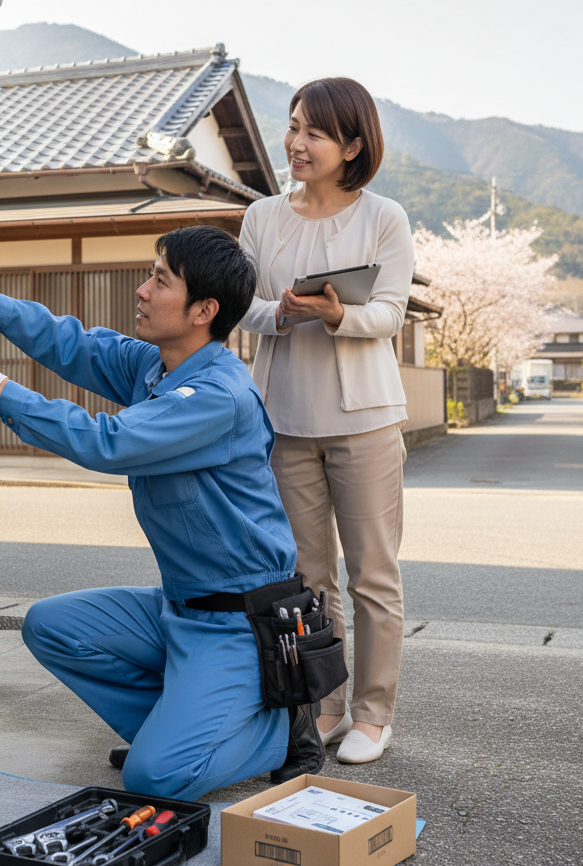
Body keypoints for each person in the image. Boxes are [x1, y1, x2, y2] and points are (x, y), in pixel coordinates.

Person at [0, 226, 307, 799]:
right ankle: (173, 728)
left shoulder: (218, 396)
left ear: (204, 311)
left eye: (160, 280)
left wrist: (0, 388)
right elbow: (76, 346)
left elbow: (110, 443)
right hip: (180, 607)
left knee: (154, 777)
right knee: (50, 626)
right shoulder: (159, 365)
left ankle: (276, 731)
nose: (143, 290)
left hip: (238, 625)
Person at [238, 77, 414, 765]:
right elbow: (238, 306)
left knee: (372, 574)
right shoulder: (262, 217)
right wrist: (280, 312)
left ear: (351, 144)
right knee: (308, 579)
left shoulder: (384, 217)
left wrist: (338, 314)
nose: (296, 143)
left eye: (313, 132)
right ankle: (328, 702)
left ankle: (374, 714)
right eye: (292, 126)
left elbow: (391, 314)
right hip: (284, 418)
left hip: (365, 419)